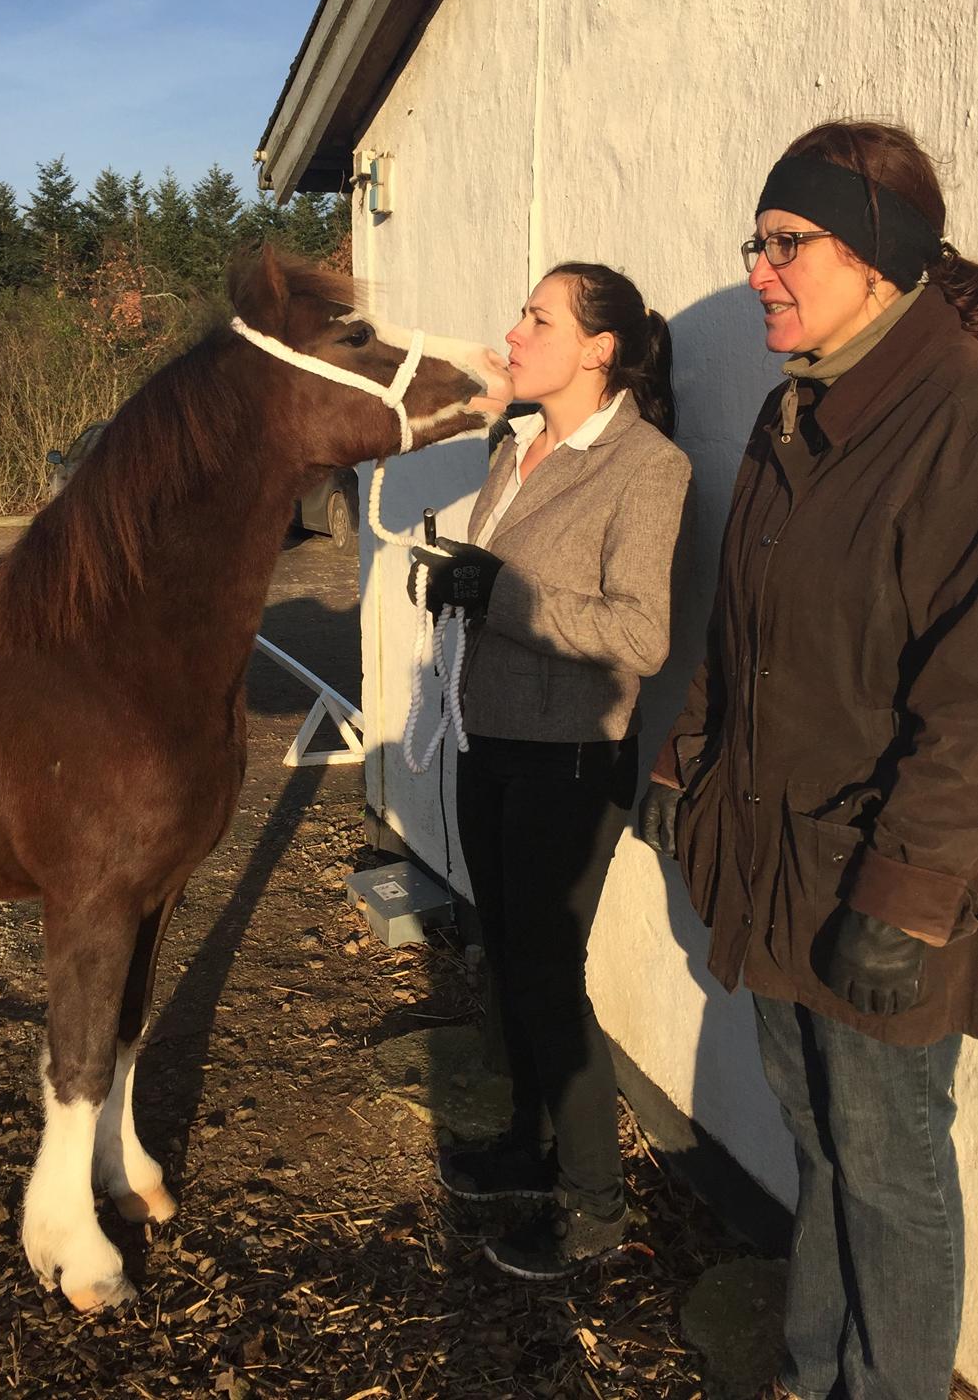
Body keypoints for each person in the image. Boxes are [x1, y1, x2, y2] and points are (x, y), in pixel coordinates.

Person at [639, 119, 978, 1400]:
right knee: (821, 1143)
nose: (762, 271)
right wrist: (681, 768)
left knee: (892, 1169)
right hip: (773, 857)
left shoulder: (958, 416)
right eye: (759, 243)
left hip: (889, 884)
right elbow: (742, 627)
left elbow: (973, 705)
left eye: (791, 244)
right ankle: (811, 1364)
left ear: (883, 254)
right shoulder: (803, 406)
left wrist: (904, 899)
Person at [410, 262, 691, 1279]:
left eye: (538, 318)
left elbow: (643, 636)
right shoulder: (518, 446)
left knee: (544, 974)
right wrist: (461, 588)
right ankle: (528, 1152)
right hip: (489, 742)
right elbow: (502, 586)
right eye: (522, 313)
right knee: (510, 958)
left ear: (597, 350)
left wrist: (505, 599)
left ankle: (594, 1206)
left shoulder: (647, 466)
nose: (516, 332)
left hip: (570, 759)